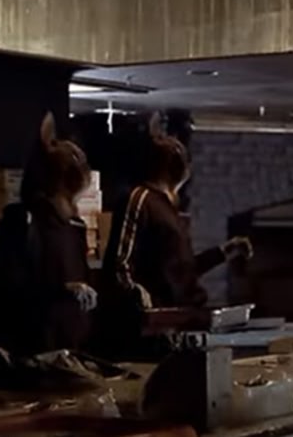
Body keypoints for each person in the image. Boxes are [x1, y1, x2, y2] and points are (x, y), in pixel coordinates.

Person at [93, 127, 252, 360]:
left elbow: (178, 270)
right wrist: (141, 301)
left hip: (179, 324)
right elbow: (120, 262)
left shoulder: (168, 209)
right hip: (154, 330)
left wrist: (222, 253)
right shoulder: (140, 199)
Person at [0, 113, 98, 357]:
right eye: (69, 197)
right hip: (32, 349)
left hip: (71, 348)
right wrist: (61, 290)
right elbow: (8, 288)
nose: (73, 207)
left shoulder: (74, 227)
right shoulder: (21, 222)